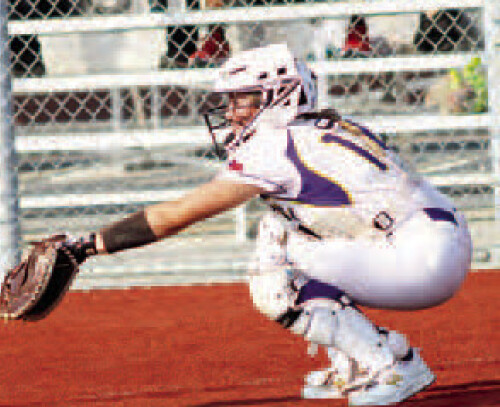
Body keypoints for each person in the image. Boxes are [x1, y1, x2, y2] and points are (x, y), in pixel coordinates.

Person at [42, 44, 472, 405]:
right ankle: (362, 359)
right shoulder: (318, 127)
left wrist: (89, 245)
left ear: (279, 95)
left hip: (418, 257)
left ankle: (390, 367)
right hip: (432, 237)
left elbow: (178, 215)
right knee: (281, 229)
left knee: (275, 280)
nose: (230, 113)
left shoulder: (274, 145)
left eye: (241, 99)